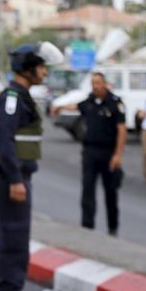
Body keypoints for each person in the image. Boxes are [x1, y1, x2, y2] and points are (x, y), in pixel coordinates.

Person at [0, 42, 63, 291]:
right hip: (13, 179)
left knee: (6, 239)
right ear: (29, 68)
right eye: (42, 67)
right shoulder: (12, 97)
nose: (45, 72)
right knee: (15, 242)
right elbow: (5, 141)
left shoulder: (19, 95)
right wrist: (16, 179)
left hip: (12, 178)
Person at [55, 72, 126, 235]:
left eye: (98, 83)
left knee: (110, 192)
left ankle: (112, 227)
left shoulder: (115, 103)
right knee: (87, 190)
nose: (96, 86)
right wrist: (59, 107)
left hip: (108, 153)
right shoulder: (90, 101)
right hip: (90, 152)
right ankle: (87, 227)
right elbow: (76, 106)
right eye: (93, 83)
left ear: (105, 84)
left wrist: (118, 155)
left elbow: (122, 131)